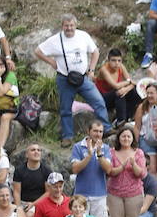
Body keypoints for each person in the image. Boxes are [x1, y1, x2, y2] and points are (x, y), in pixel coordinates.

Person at [35, 15, 107, 147]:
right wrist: (52, 62)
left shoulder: (83, 36)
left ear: (76, 25)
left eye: (71, 25)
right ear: (62, 26)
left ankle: (106, 129)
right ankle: (67, 137)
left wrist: (91, 70)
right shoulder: (56, 40)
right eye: (66, 26)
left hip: (83, 77)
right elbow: (38, 51)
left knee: (98, 101)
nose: (69, 28)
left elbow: (95, 52)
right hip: (65, 78)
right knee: (65, 109)